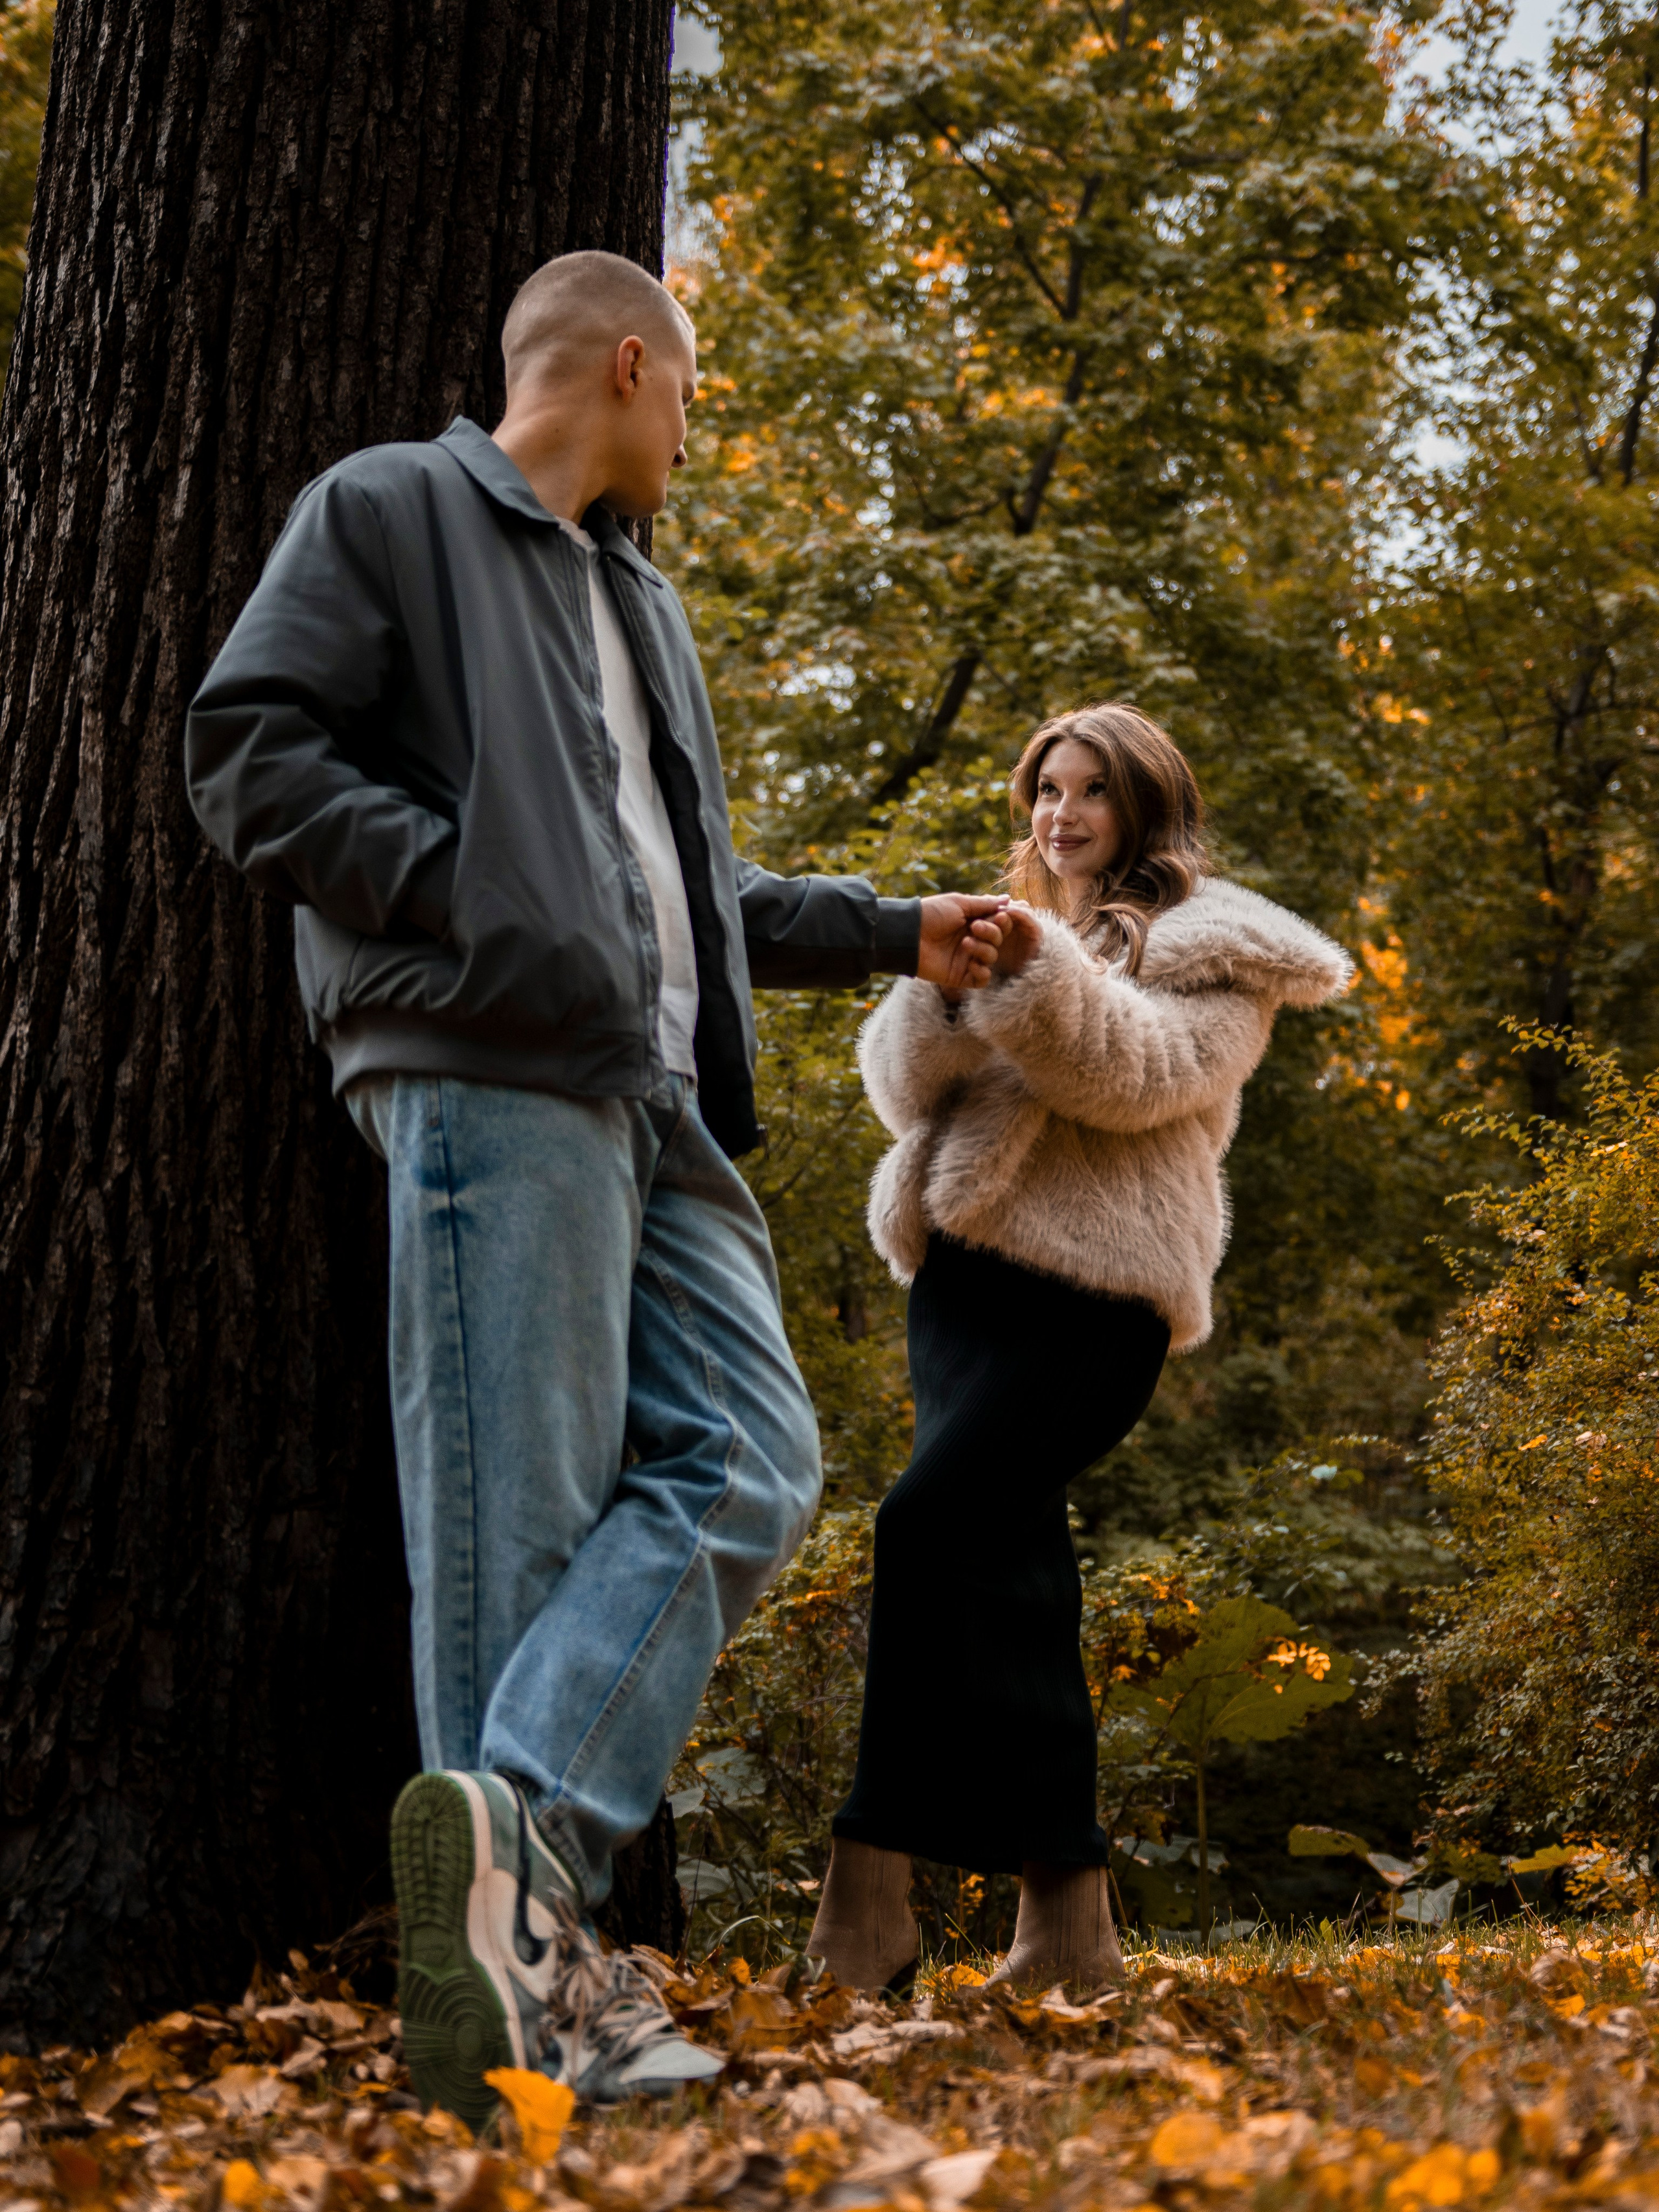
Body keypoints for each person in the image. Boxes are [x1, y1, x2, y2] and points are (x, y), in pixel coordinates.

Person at [183, 250, 1011, 2113]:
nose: (694, 430)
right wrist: (474, 888)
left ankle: (512, 1874)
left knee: (753, 1454)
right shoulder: (393, 505)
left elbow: (675, 888)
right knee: (522, 1528)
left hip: (657, 1095)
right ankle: (519, 1999)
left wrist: (890, 929)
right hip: (487, 1073)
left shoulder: (641, 605)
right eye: (695, 392)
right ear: (629, 362)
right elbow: (246, 749)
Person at [806, 703, 1352, 1992]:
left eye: (1089, 791)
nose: (1057, 814)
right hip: (961, 1291)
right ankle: (1070, 1929)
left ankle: (867, 1895)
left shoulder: (1218, 955)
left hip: (1096, 1304)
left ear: (1141, 809)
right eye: (1044, 789)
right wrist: (944, 983)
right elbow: (901, 1094)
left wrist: (1023, 974)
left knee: (922, 1526)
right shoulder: (996, 929)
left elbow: (1136, 1077)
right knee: (1016, 1580)